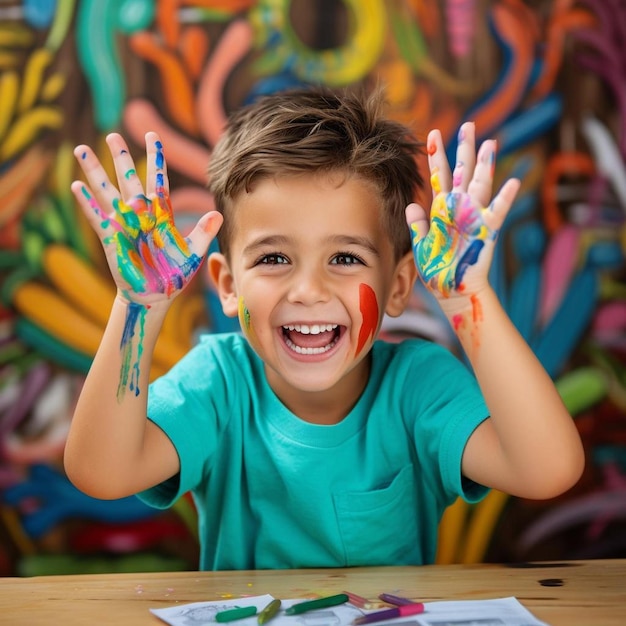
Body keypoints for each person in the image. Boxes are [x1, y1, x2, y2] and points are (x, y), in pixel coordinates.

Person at [64, 88, 584, 570]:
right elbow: (102, 473)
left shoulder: (417, 388)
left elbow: (547, 470)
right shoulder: (218, 384)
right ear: (227, 285)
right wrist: (139, 306)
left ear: (399, 285)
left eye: (344, 257)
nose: (308, 290)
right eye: (273, 257)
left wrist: (469, 298)